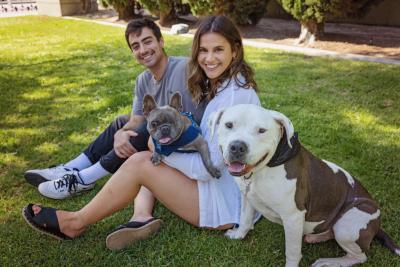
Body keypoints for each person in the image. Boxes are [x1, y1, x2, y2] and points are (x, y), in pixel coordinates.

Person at [22, 15, 261, 251]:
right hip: (228, 191)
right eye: (203, 50)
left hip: (224, 206)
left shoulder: (230, 98)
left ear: (236, 51)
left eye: (218, 49)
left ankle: (75, 221)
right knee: (134, 138)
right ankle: (137, 212)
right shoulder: (230, 84)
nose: (209, 58)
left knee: (141, 162)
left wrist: (159, 151)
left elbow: (208, 169)